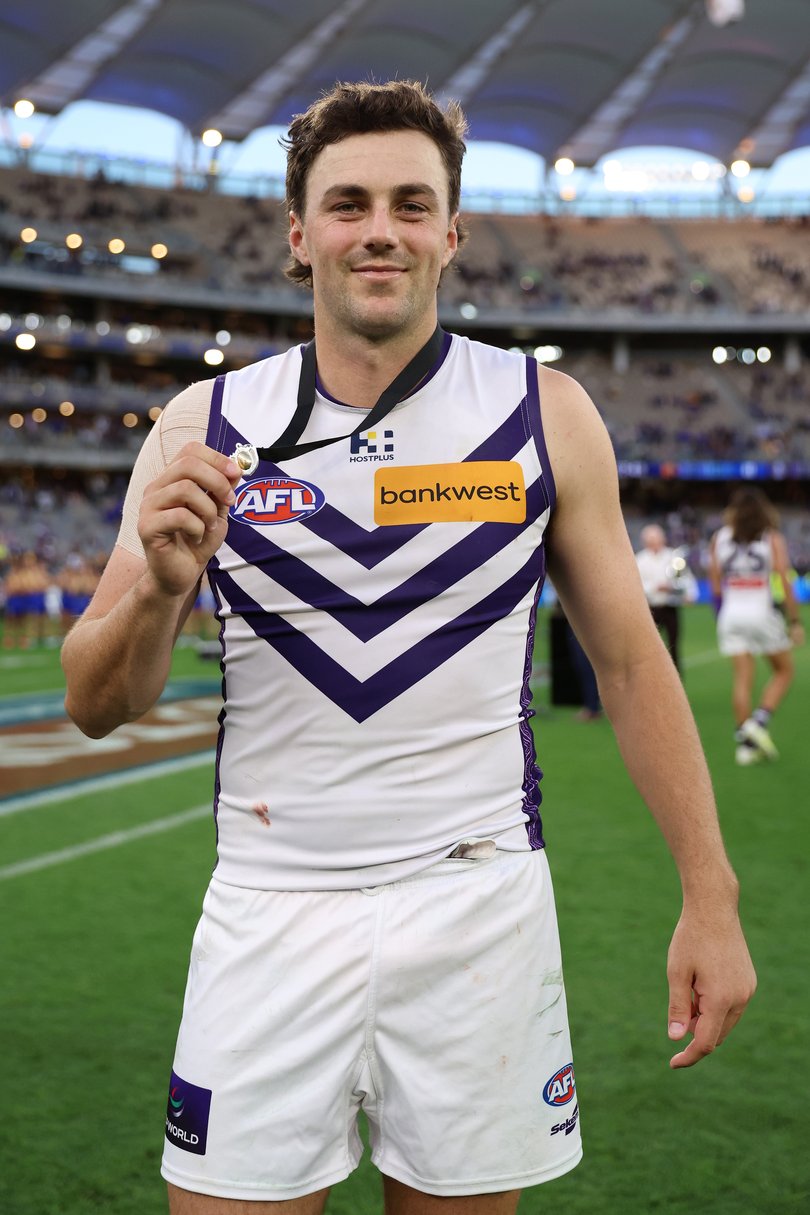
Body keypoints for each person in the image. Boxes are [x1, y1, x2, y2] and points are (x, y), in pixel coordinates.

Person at [61, 80, 756, 1215]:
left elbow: (632, 665)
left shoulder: (544, 412)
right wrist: (159, 594)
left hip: (476, 906)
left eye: (409, 204)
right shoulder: (203, 426)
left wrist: (710, 894)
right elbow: (97, 700)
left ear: (451, 232)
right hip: (270, 907)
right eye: (347, 204)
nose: (378, 229)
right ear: (299, 234)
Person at [709, 487, 804, 765]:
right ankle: (759, 723)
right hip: (761, 612)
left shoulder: (719, 538)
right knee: (784, 671)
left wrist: (721, 614)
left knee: (742, 679)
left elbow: (716, 584)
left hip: (731, 613)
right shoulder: (771, 538)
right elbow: (784, 579)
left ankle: (746, 746)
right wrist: (794, 621)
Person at [634, 523, 698, 674]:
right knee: (648, 647)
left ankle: (677, 679)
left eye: (657, 539)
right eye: (651, 540)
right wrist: (655, 587)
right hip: (650, 609)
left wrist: (689, 594)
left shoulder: (673, 557)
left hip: (670, 607)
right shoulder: (639, 559)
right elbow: (636, 584)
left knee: (674, 646)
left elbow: (685, 578)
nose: (655, 543)